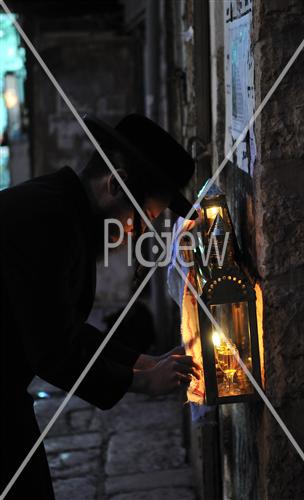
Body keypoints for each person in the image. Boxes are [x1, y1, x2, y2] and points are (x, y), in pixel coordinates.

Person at [0, 114, 200, 499]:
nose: (135, 235)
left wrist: (142, 360)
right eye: (141, 221)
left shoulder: (64, 212)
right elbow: (53, 351)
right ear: (116, 184)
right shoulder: (45, 219)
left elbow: (63, 326)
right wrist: (141, 381)